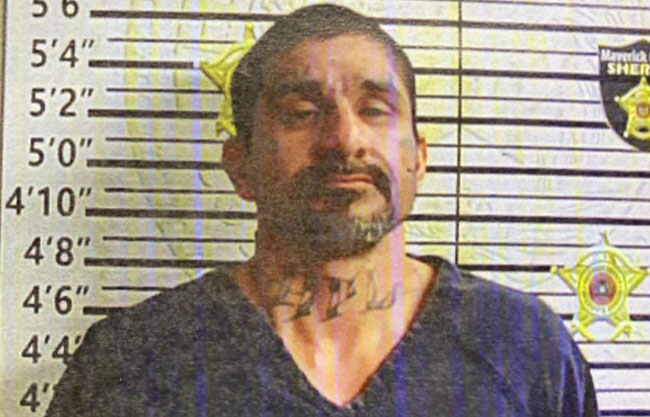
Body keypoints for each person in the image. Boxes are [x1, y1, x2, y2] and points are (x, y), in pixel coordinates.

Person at [46, 4, 599, 416]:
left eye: (375, 109)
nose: (344, 139)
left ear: (418, 159)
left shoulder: (524, 345)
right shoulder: (131, 360)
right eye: (302, 112)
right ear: (240, 166)